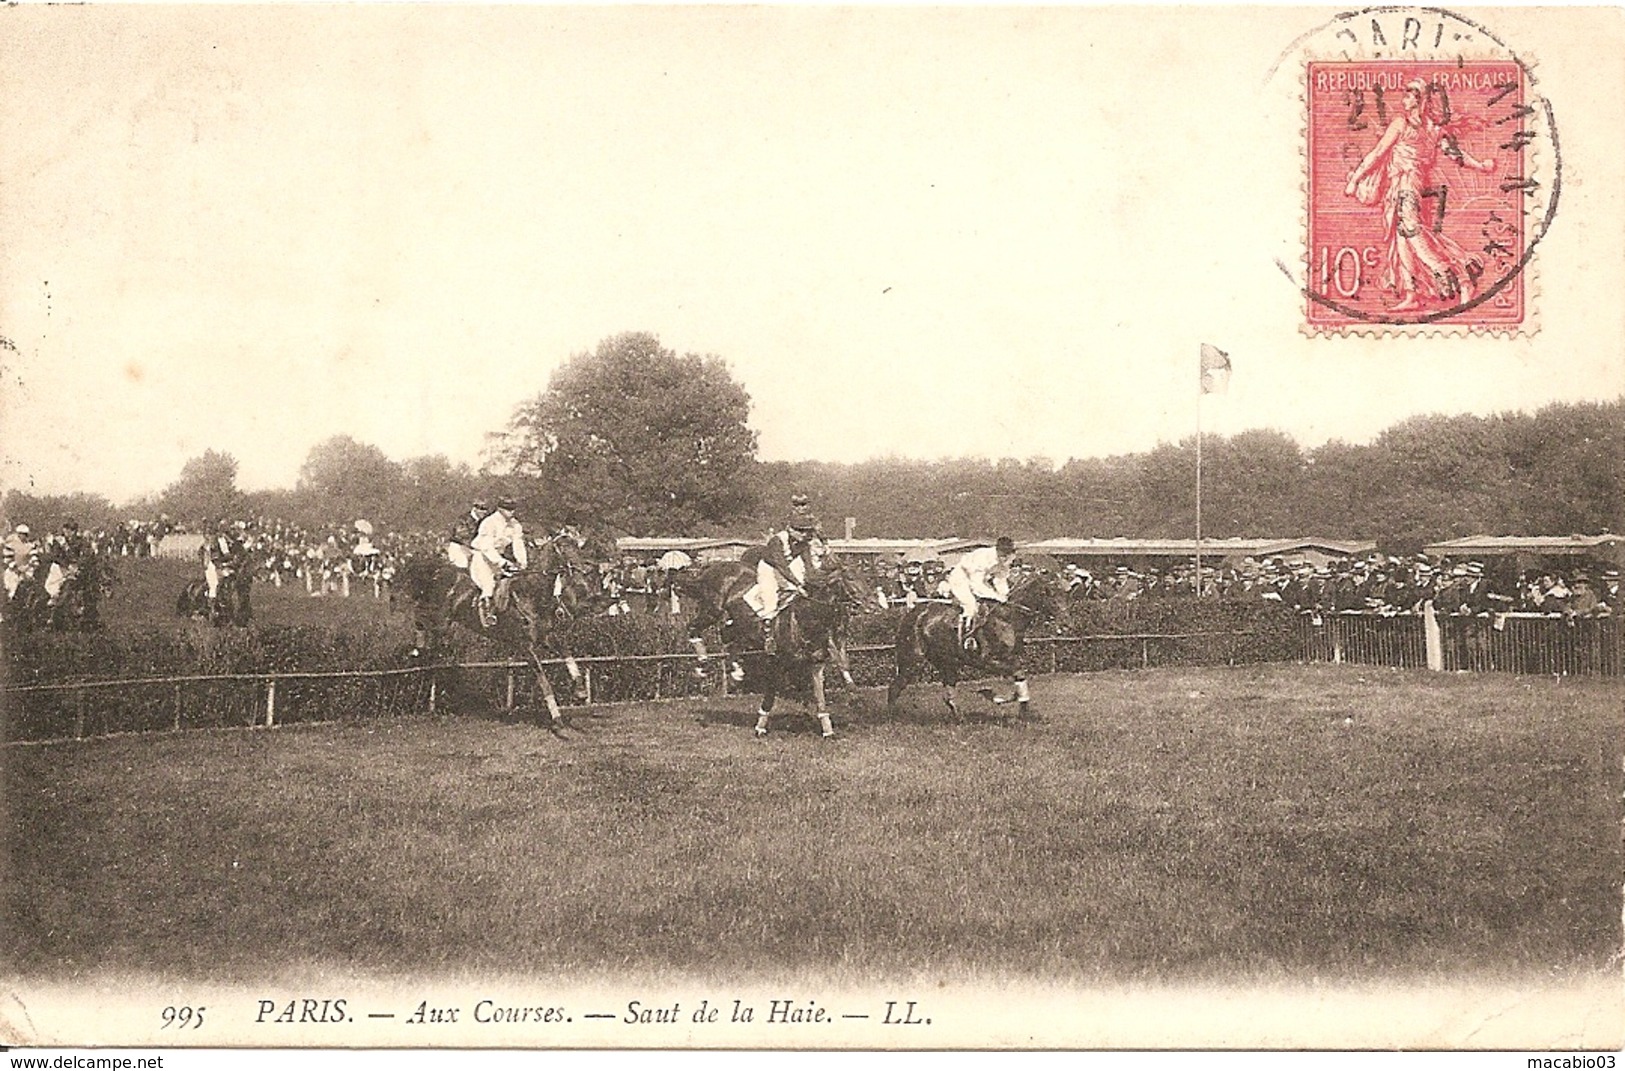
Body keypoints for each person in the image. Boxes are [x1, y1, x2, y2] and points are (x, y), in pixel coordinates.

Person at [1343, 78, 1497, 313]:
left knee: (1412, 233)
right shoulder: (1432, 129)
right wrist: (1482, 166)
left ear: (1419, 100)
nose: (1403, 100)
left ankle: (1458, 273)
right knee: (1403, 240)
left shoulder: (1404, 125)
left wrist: (1355, 179)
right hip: (1400, 187)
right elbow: (1457, 155)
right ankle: (1411, 294)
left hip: (1408, 184)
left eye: (1408, 96)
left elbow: (1377, 154)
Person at [755, 503, 821, 653]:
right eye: (802, 532)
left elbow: (809, 566)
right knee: (770, 602)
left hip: (786, 569)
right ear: (791, 529)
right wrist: (797, 584)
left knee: (797, 597)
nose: (806, 535)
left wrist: (816, 582)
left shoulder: (804, 543)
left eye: (808, 532)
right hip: (769, 568)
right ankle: (768, 637)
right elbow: (781, 565)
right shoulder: (777, 540)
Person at [948, 536, 1015, 647]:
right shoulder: (983, 557)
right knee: (971, 604)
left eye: (1007, 554)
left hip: (981, 581)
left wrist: (1004, 594)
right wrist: (996, 596)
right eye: (1003, 554)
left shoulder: (1005, 562)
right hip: (961, 579)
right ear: (997, 550)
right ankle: (968, 637)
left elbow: (1000, 580)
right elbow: (976, 584)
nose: (1004, 558)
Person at [470, 496, 527, 627]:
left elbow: (518, 544)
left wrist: (522, 563)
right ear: (500, 509)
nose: (511, 512)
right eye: (508, 509)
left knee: (510, 582)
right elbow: (486, 547)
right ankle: (487, 616)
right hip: (482, 557)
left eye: (513, 509)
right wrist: (502, 562)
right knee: (488, 584)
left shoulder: (515, 525)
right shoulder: (489, 523)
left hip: (499, 557)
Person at [201, 519, 247, 606]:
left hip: (223, 565)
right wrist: (224, 562)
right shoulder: (212, 541)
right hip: (213, 566)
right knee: (214, 585)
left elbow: (227, 553)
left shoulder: (224, 540)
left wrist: (232, 559)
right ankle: (209, 609)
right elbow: (214, 557)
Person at [446, 500, 488, 571]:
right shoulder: (463, 520)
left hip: (475, 547)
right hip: (459, 547)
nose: (484, 512)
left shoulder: (484, 520)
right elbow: (460, 538)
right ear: (475, 509)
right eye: (482, 509)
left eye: (486, 509)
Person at [3, 522, 38, 602]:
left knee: (30, 585)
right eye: (21, 534)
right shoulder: (11, 544)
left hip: (27, 570)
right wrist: (16, 569)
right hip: (14, 572)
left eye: (25, 534)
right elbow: (8, 559)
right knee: (12, 589)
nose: (23, 536)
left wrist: (32, 565)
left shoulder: (30, 545)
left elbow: (34, 557)